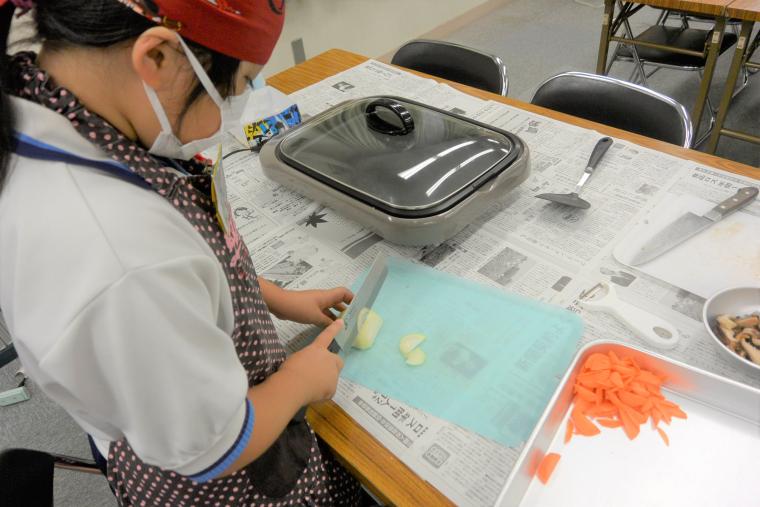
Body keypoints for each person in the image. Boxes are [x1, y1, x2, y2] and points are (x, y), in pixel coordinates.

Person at [0, 1, 363, 505]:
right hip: (216, 472)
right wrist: (300, 382)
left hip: (166, 389)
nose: (240, 104)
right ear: (159, 59)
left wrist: (278, 298)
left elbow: (193, 274)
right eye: (238, 86)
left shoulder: (68, 96)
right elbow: (214, 448)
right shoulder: (124, 261)